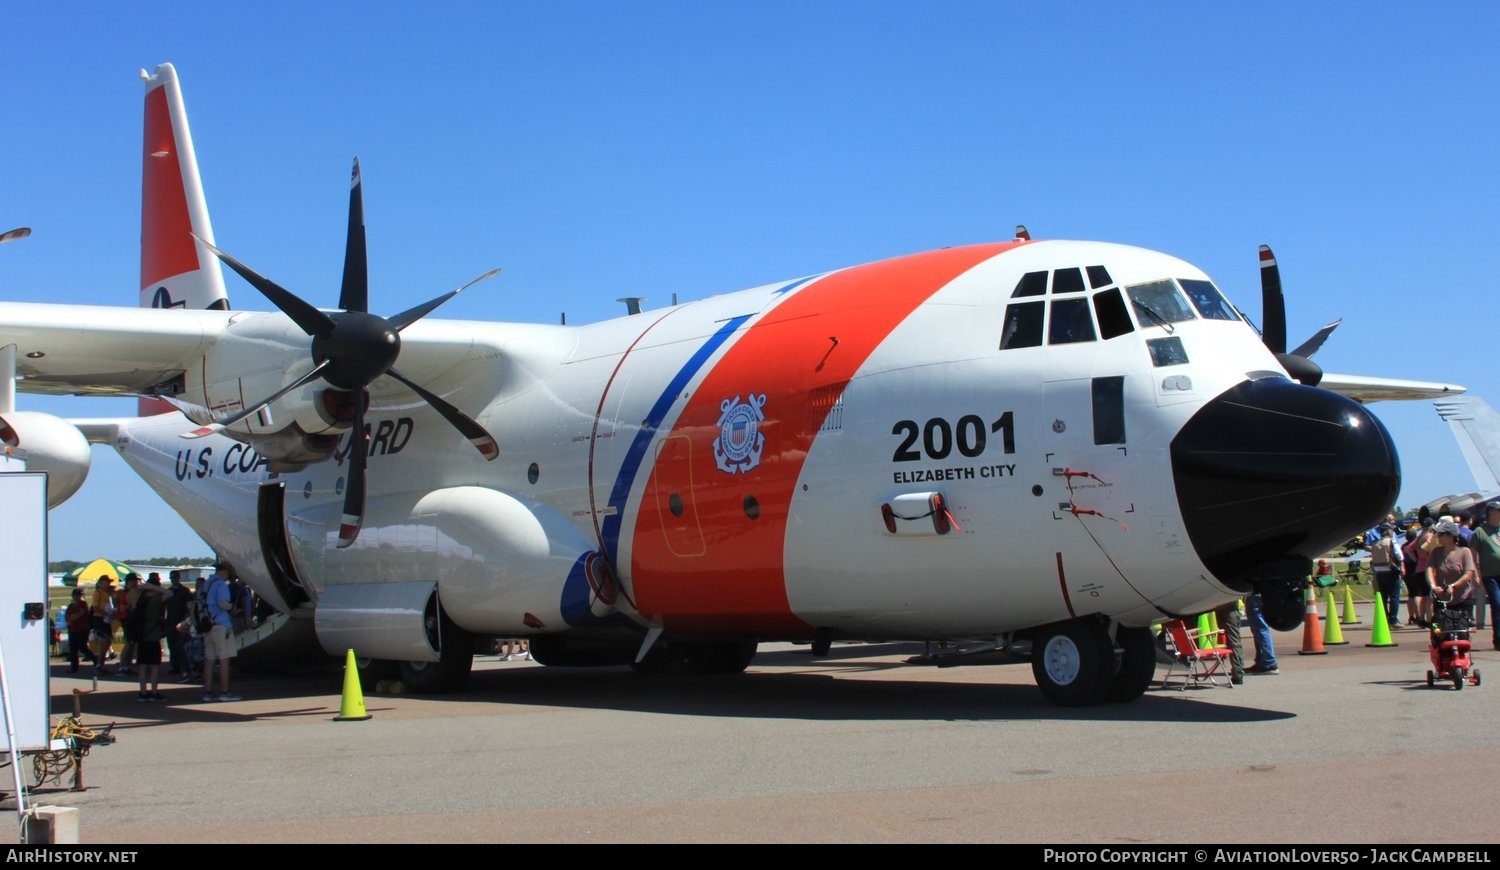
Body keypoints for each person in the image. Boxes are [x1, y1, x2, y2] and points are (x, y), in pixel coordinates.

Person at [1428, 520, 1480, 632]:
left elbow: (1468, 573)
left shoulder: (1465, 551)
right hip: (1442, 598)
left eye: (1441, 535)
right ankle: (1437, 643)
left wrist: (1453, 586)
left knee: (1463, 629)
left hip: (1463, 598)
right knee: (1437, 627)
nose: (1438, 537)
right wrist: (1433, 586)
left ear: (1451, 536)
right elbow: (1429, 569)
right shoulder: (1436, 552)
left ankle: (1462, 646)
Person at [201, 564, 240, 702]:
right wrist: (232, 607)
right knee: (224, 660)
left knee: (210, 661)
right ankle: (225, 691)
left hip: (207, 626)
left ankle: (208, 691)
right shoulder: (221, 585)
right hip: (221, 625)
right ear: (224, 572)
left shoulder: (206, 585)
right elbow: (222, 603)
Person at [133, 574, 168, 702]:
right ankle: (153, 692)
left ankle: (142, 692)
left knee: (142, 665)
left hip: (141, 635)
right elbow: (169, 593)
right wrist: (155, 588)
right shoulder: (156, 600)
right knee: (154, 666)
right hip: (152, 635)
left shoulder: (139, 599)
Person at [1367, 524, 1403, 627]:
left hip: (1379, 571)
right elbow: (1399, 555)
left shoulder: (1375, 543)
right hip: (1391, 570)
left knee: (1383, 596)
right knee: (1394, 596)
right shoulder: (1392, 542)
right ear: (1387, 531)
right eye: (1391, 530)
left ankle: (1385, 617)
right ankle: (1393, 619)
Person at [1243, 591, 1278, 675]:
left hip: (1254, 596)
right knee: (1259, 630)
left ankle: (1269, 663)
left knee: (1261, 629)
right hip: (1260, 596)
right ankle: (1262, 661)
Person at [64, 588, 96, 674]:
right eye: (77, 595)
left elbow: (80, 613)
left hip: (82, 629)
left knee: (82, 647)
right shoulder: (71, 606)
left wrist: (73, 617)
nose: (78, 597)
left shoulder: (83, 604)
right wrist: (70, 619)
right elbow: (67, 616)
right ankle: (74, 668)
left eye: (80, 595)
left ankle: (95, 660)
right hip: (72, 629)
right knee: (73, 649)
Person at [164, 570, 190, 674]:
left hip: (181, 622)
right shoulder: (168, 592)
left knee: (181, 646)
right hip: (170, 622)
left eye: (175, 577)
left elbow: (189, 607)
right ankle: (175, 666)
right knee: (171, 645)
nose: (173, 579)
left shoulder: (185, 591)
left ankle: (184, 667)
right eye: (171, 578)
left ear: (178, 578)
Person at [1214, 601, 1244, 684]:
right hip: (1229, 608)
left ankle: (1238, 672)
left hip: (1226, 608)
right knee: (1234, 642)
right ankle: (1238, 672)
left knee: (1234, 643)